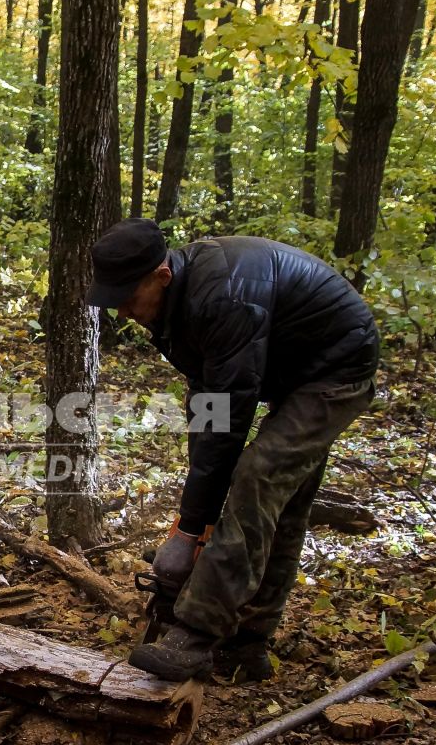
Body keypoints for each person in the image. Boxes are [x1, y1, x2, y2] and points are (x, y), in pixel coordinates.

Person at [87, 219, 379, 683]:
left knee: (260, 476)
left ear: (161, 275)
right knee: (278, 499)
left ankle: (199, 634)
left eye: (127, 298)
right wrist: (192, 524)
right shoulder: (173, 304)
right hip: (286, 367)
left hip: (336, 369)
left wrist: (187, 535)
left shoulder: (223, 298)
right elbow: (209, 407)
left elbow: (228, 416)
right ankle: (247, 644)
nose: (122, 311)